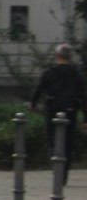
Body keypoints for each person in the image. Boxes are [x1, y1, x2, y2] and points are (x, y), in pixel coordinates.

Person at [30, 43, 87, 180]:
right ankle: (64, 175)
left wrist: (33, 105)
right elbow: (84, 97)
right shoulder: (76, 75)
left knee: (51, 140)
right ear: (70, 57)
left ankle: (56, 165)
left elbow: (38, 90)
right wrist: (85, 119)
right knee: (68, 142)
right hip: (70, 111)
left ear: (56, 56)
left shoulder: (49, 73)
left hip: (52, 110)